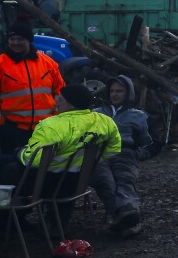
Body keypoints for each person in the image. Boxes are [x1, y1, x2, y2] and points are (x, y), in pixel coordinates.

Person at [14, 84, 122, 234]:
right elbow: (114, 148)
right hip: (78, 183)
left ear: (71, 104)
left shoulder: (51, 126)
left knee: (10, 170)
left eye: (60, 99)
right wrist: (90, 162)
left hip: (49, 186)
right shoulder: (105, 121)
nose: (56, 102)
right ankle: (56, 227)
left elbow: (34, 160)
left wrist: (20, 152)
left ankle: (9, 223)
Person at [0, 20, 66, 153]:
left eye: (20, 39)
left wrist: (55, 117)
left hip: (46, 129)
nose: (15, 43)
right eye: (12, 39)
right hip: (13, 131)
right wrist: (1, 125)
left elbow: (61, 93)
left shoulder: (48, 64)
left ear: (29, 40)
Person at [91, 75, 152, 235]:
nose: (115, 94)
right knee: (105, 181)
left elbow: (146, 142)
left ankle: (124, 218)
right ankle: (128, 218)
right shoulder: (96, 114)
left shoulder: (138, 116)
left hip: (124, 153)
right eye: (112, 91)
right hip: (100, 153)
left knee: (124, 179)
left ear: (128, 93)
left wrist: (138, 154)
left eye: (120, 91)